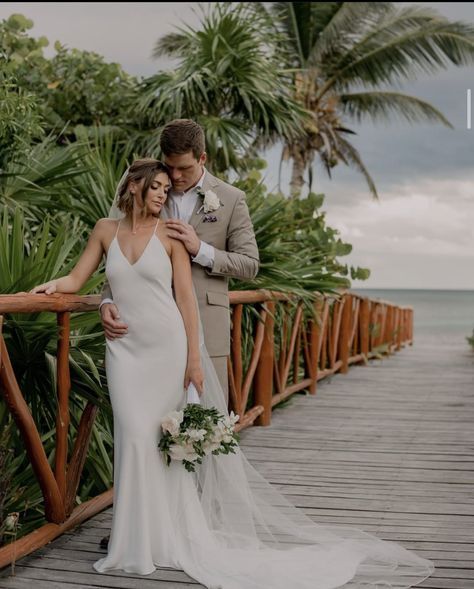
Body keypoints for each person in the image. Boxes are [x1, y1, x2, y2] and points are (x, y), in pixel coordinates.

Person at [30, 158, 434, 588]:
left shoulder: (169, 235)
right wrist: (49, 288)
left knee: (156, 443)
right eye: (156, 187)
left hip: (167, 349)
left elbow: (186, 300)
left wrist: (192, 360)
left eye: (168, 188)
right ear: (133, 186)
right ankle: (132, 543)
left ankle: (158, 541)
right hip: (125, 351)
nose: (163, 194)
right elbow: (77, 279)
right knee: (131, 438)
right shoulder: (103, 230)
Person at [100, 119, 260, 402]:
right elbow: (122, 250)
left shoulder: (231, 199)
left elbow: (249, 264)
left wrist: (201, 249)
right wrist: (107, 299)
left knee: (206, 428)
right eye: (169, 165)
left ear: (202, 158)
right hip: (146, 332)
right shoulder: (152, 189)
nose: (174, 176)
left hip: (206, 327)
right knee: (154, 422)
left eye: (183, 168)